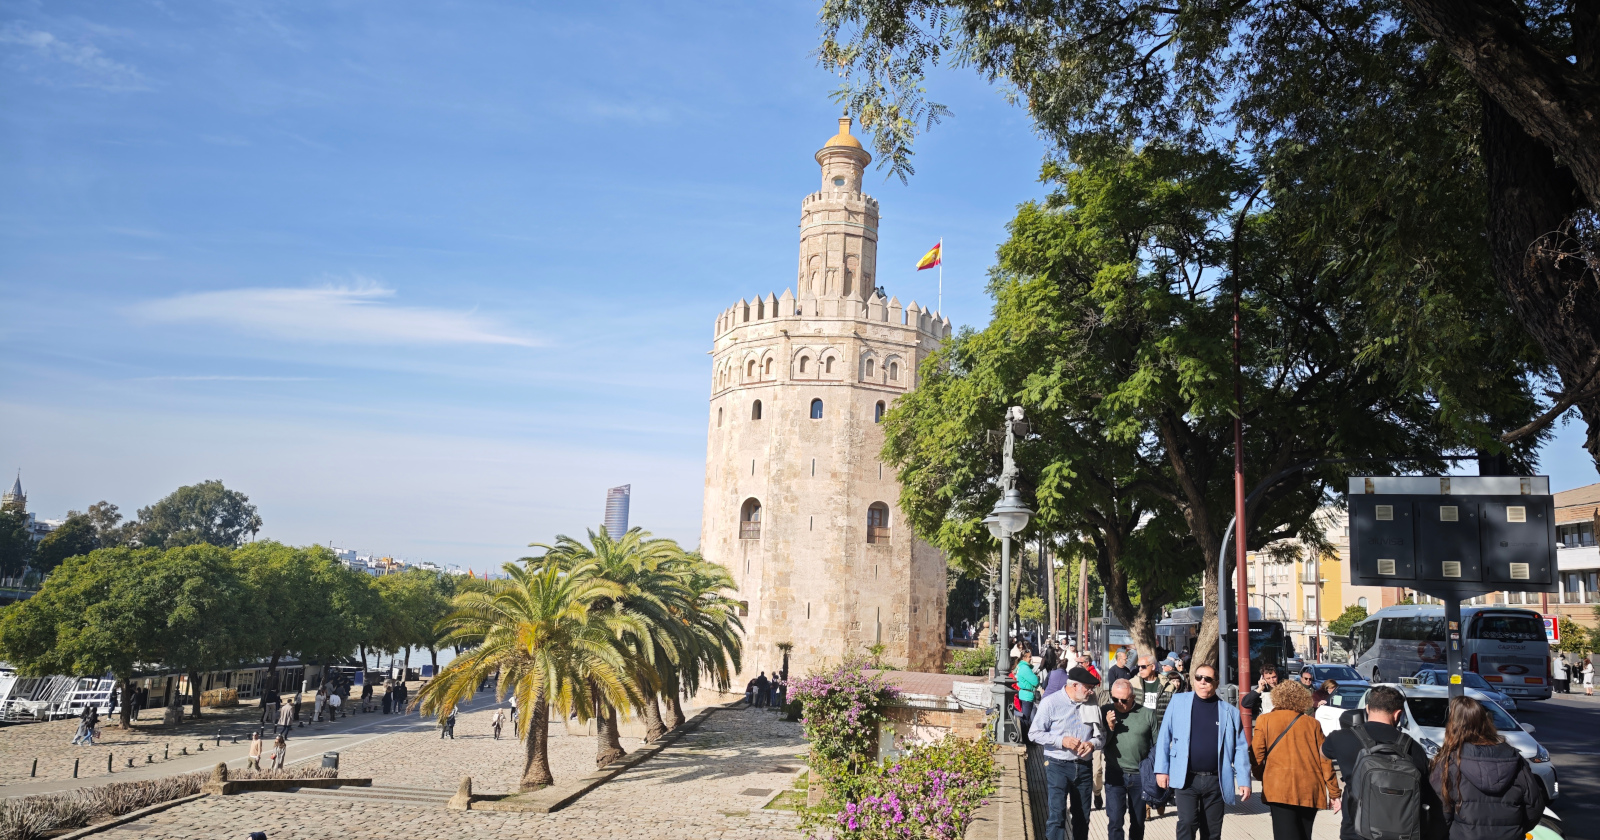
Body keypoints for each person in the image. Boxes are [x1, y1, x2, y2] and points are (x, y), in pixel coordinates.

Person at [1321, 685, 1439, 840]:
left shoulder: (1340, 738)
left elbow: (1322, 753)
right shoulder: (1413, 748)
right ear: (1398, 714)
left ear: (1367, 708)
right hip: (1402, 834)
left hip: (1355, 832)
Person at [1152, 663, 1252, 840]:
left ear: (1216, 682)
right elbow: (1164, 737)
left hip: (1216, 780)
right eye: (1199, 677)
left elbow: (1240, 747)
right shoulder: (1178, 702)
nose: (1202, 682)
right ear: (1193, 680)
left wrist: (1244, 780)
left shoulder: (1230, 712)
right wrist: (1161, 770)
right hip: (1186, 778)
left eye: (1208, 679)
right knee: (1187, 823)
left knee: (1212, 831)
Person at [1429, 695, 1546, 840]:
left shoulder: (1449, 763)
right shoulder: (1515, 760)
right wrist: (1516, 829)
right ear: (1486, 722)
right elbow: (1535, 806)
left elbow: (1439, 814)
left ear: (1452, 726)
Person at [1249, 681, 1340, 840]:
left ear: (1276, 697)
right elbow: (1325, 761)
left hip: (1279, 788)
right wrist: (1334, 793)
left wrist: (1262, 776)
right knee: (1305, 834)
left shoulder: (1265, 720)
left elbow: (1256, 755)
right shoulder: (1313, 724)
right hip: (1309, 789)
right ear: (1302, 699)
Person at [1029, 667, 1105, 840]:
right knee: (1057, 816)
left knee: (1082, 817)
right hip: (1057, 765)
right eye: (1088, 688)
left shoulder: (1092, 701)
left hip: (1084, 766)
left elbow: (1101, 736)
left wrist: (1091, 744)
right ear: (1074, 685)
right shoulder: (1051, 703)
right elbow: (1034, 734)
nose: (1091, 692)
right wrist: (1061, 741)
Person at [1102, 679, 1157, 840]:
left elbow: (1157, 745)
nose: (1119, 703)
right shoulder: (1105, 711)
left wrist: (1153, 770)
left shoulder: (1147, 714)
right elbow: (1100, 743)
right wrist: (1110, 727)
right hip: (1115, 773)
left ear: (1133, 697)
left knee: (1138, 821)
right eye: (1115, 699)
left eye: (1124, 700)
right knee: (1115, 821)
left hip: (1140, 775)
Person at [1016, 653, 1042, 733]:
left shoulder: (1020, 666)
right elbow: (1035, 681)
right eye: (1029, 657)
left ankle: (1027, 734)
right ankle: (1025, 736)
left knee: (1028, 717)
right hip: (1027, 695)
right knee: (1026, 718)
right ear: (1024, 657)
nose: (1031, 658)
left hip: (1024, 694)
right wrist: (1037, 678)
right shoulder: (1025, 668)